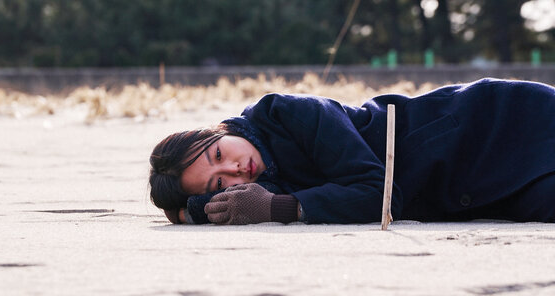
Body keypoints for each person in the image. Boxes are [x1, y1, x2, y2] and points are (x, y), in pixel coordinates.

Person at [149, 78, 555, 225]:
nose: (239, 170)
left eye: (219, 154)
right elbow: (222, 204)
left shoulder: (291, 113)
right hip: (479, 189)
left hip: (493, 124)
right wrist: (193, 211)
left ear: (217, 130)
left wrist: (279, 208)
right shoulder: (262, 183)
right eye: (222, 184)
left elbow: (380, 195)